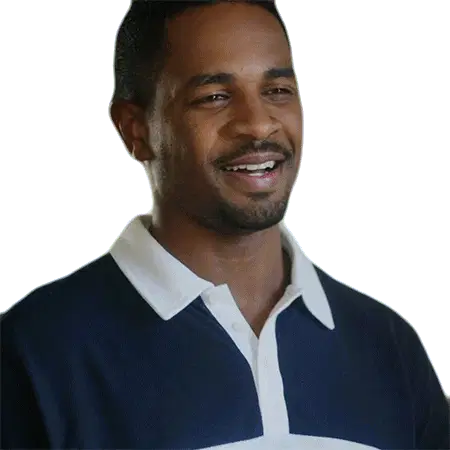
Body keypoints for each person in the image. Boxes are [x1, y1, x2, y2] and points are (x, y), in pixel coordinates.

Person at [1, 0, 449, 449]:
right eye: (214, 97)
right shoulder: (35, 354)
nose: (258, 125)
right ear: (136, 129)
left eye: (277, 90)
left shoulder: (387, 347)